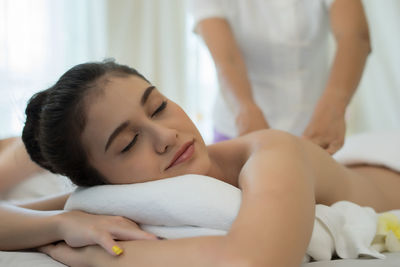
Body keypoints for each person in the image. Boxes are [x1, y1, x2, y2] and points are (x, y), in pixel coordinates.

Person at [0, 60, 399, 267]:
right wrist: (61, 223)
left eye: (158, 107)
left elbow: (253, 261)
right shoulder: (107, 197)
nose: (167, 136)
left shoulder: (270, 154)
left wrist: (99, 258)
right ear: (98, 184)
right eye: (129, 142)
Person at [190, 0, 371, 155]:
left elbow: (355, 36)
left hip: (315, 130)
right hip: (239, 129)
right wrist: (245, 112)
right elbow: (227, 61)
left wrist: (334, 106)